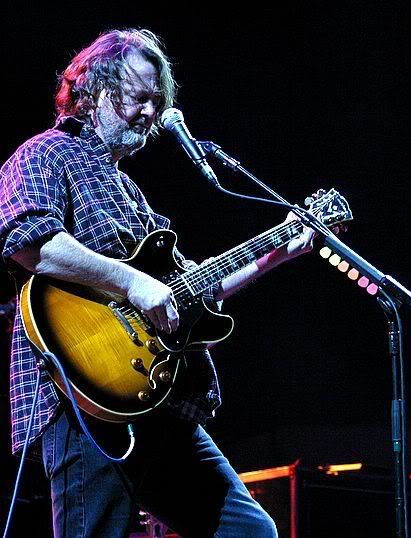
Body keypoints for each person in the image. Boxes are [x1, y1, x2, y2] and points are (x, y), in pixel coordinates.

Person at [0, 29, 315, 537]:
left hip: (157, 397)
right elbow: (31, 241)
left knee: (251, 531)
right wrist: (132, 283)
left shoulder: (128, 190)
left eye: (157, 100)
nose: (151, 113)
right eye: (139, 98)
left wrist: (278, 252)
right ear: (97, 92)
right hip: (82, 397)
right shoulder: (45, 153)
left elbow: (189, 288)